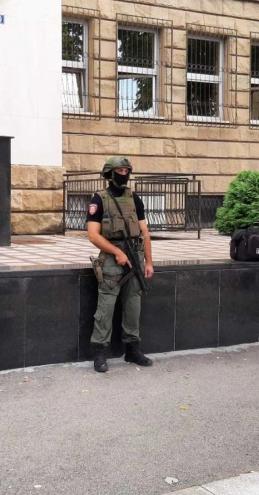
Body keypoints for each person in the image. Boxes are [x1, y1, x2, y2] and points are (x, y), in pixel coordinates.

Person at [86, 156, 155, 372]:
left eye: (126, 171)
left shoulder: (134, 199)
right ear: (110, 173)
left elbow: (144, 232)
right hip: (111, 259)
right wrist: (116, 252)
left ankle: (132, 350)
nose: (123, 175)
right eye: (119, 171)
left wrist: (149, 262)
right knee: (105, 307)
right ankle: (100, 353)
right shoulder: (98, 199)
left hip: (135, 257)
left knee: (133, 306)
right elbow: (93, 235)